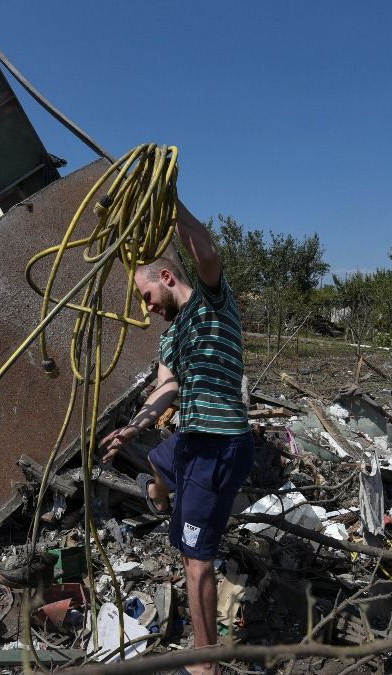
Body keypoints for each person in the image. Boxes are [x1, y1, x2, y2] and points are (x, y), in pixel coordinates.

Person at [100, 204, 254, 675]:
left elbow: (204, 249)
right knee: (157, 460)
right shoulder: (171, 340)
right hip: (190, 443)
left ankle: (205, 665)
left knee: (196, 562)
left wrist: (171, 202)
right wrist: (137, 424)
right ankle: (160, 495)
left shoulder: (212, 300)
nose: (147, 309)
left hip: (218, 445)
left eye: (147, 296)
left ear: (167, 277)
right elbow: (166, 388)